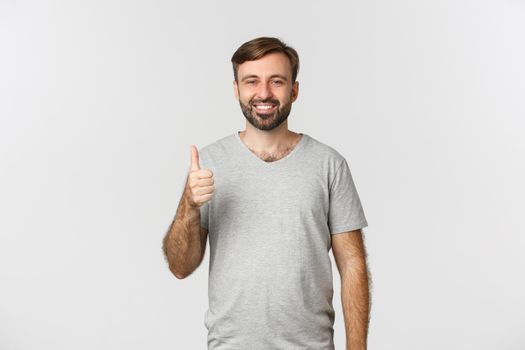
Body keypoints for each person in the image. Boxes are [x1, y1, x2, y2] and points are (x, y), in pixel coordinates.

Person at [162, 36, 371, 350]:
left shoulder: (329, 165)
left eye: (276, 81)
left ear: (294, 90)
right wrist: (188, 206)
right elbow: (181, 267)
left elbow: (353, 265)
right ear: (236, 90)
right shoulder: (209, 163)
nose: (263, 93)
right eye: (251, 81)